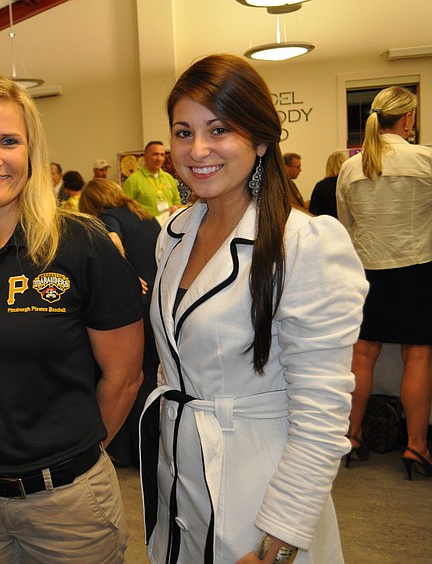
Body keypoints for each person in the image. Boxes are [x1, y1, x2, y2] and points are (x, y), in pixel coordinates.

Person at [142, 54, 367, 564]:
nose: (197, 149)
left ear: (261, 140)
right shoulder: (174, 235)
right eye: (183, 131)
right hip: (180, 480)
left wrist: (278, 540)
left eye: (219, 129)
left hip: (260, 494)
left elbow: (322, 413)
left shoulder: (305, 243)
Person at [0, 75, 144, 563]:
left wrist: (70, 464)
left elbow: (125, 377)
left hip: (69, 507)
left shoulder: (82, 244)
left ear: (32, 153)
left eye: (9, 141)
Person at [336, 85, 432, 480]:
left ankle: (353, 438)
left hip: (366, 271)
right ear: (408, 119)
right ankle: (416, 446)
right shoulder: (425, 158)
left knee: (361, 356)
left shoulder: (350, 167)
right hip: (417, 267)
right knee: (418, 356)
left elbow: (346, 227)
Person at [78, 177, 161, 469]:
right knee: (149, 380)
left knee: (125, 381)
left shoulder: (107, 219)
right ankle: (151, 450)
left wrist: (122, 273)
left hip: (130, 310)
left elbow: (112, 241)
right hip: (156, 306)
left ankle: (130, 452)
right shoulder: (146, 216)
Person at [122, 141, 181, 222]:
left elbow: (177, 201)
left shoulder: (168, 178)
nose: (159, 159)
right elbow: (125, 208)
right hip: (145, 227)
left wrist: (175, 208)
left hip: (168, 224)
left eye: (162, 155)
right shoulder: (133, 180)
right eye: (155, 154)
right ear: (145, 156)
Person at [308, 151, 347, 218]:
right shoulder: (347, 184)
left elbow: (313, 212)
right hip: (346, 225)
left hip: (326, 225)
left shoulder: (321, 186)